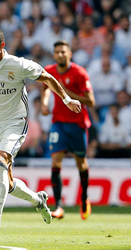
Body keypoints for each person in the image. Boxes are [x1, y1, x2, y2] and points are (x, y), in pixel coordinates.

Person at [0, 27, 82, 240]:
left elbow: (48, 78)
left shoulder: (19, 65)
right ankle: (38, 200)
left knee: (0, 162)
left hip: (14, 123)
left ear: (2, 46)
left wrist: (67, 100)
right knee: (7, 182)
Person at [41, 40, 96, 220]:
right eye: (57, 52)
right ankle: (58, 206)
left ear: (70, 54)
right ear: (54, 54)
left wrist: (65, 94)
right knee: (56, 161)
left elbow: (90, 101)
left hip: (77, 123)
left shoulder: (79, 73)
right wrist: (44, 102)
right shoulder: (50, 70)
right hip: (59, 122)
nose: (60, 55)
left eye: (63, 52)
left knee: (81, 162)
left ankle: (84, 197)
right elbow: (47, 88)